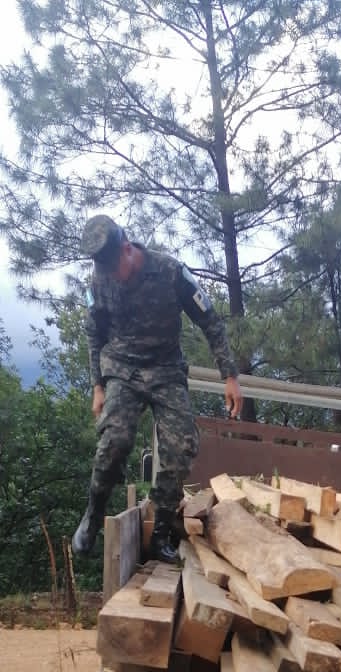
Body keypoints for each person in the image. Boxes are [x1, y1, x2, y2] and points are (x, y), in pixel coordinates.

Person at [72, 214, 243, 564]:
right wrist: (98, 386)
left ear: (127, 249)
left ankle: (162, 532)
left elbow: (210, 320)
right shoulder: (99, 282)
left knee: (181, 447)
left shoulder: (170, 271)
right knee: (114, 441)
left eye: (114, 268)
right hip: (122, 368)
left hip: (166, 370)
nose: (111, 277)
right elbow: (94, 334)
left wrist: (230, 376)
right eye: (104, 271)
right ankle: (93, 515)